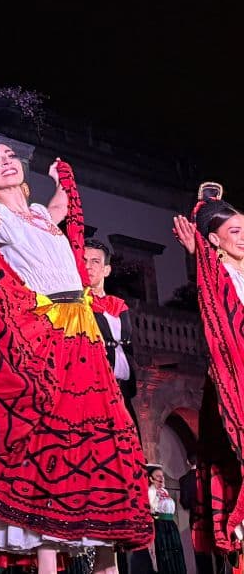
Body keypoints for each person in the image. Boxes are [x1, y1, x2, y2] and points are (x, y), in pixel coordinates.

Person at [0, 132, 151, 574]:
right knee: (53, 434)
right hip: (47, 331)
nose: (6, 162)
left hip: (85, 336)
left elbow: (58, 210)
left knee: (102, 436)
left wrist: (61, 181)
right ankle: (46, 555)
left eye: (10, 156)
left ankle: (106, 549)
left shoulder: (38, 212)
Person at [172, 183, 244, 557]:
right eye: (235, 232)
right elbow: (208, 280)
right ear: (214, 241)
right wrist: (198, 247)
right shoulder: (218, 278)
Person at [84, 239, 139, 428]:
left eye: (95, 261)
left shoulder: (119, 305)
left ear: (106, 270)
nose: (88, 266)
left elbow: (128, 346)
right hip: (96, 389)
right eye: (83, 261)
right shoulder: (78, 307)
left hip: (123, 389)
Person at [148, 464, 187, 574]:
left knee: (175, 553)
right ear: (151, 479)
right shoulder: (151, 491)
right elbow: (151, 510)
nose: (161, 478)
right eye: (158, 476)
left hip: (170, 525)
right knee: (165, 554)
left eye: (162, 476)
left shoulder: (165, 491)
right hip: (160, 525)